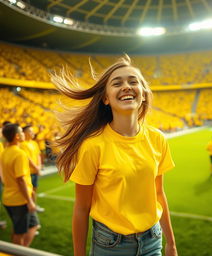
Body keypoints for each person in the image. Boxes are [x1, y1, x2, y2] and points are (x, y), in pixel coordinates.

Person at [52, 55, 178, 256]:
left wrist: (171, 243)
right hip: (110, 245)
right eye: (117, 83)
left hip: (153, 241)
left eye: (133, 81)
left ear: (143, 94)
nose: (127, 86)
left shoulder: (157, 139)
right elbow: (82, 208)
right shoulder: (93, 146)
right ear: (106, 98)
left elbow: (158, 194)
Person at [0, 124, 39, 246]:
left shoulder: (5, 152)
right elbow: (20, 180)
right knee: (20, 233)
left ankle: (20, 250)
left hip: (8, 198)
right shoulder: (20, 154)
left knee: (26, 227)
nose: (23, 134)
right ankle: (21, 251)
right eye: (21, 132)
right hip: (19, 200)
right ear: (17, 136)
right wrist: (30, 201)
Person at [20, 125, 44, 213]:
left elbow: (38, 154)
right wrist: (37, 168)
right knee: (29, 191)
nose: (33, 133)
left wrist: (39, 166)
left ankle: (34, 205)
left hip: (35, 170)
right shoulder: (22, 144)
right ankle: (28, 206)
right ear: (25, 133)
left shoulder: (34, 143)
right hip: (28, 171)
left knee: (35, 189)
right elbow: (27, 158)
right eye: (30, 131)